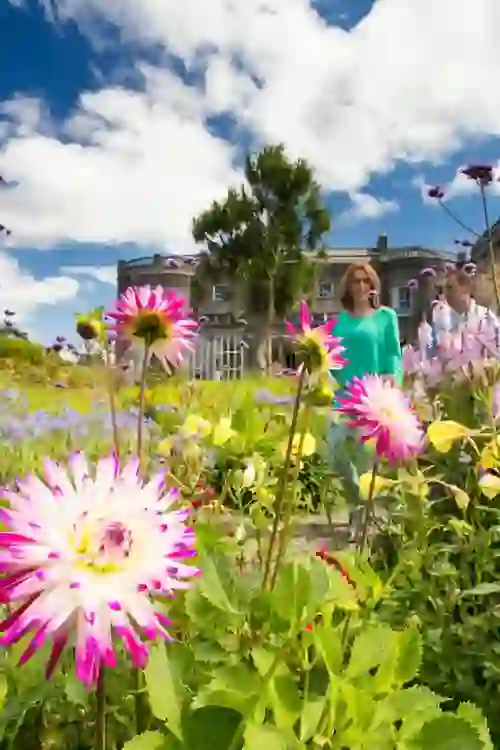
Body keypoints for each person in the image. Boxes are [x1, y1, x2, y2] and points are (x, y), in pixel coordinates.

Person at [327, 262, 403, 539]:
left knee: (364, 459)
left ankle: (360, 515)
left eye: (365, 281)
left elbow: (393, 353)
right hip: (343, 398)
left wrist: (393, 377)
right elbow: (331, 359)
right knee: (336, 453)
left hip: (373, 397)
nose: (360, 286)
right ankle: (358, 503)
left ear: (373, 286)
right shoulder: (339, 322)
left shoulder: (386, 317)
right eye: (355, 281)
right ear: (348, 286)